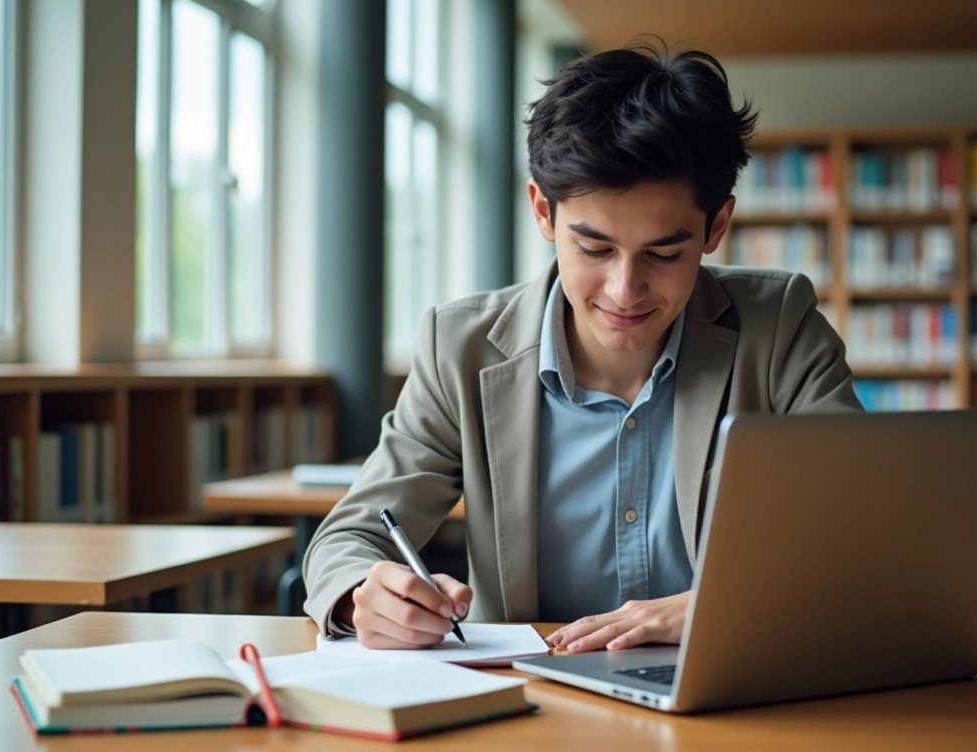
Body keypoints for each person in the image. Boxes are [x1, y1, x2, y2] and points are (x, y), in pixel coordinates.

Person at [302, 40, 862, 654]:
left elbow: (861, 530)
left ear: (716, 226)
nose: (625, 289)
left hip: (723, 686)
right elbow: (348, 537)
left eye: (665, 253)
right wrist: (367, 593)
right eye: (594, 248)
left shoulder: (779, 327)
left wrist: (719, 608)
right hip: (530, 703)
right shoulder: (459, 347)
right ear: (543, 211)